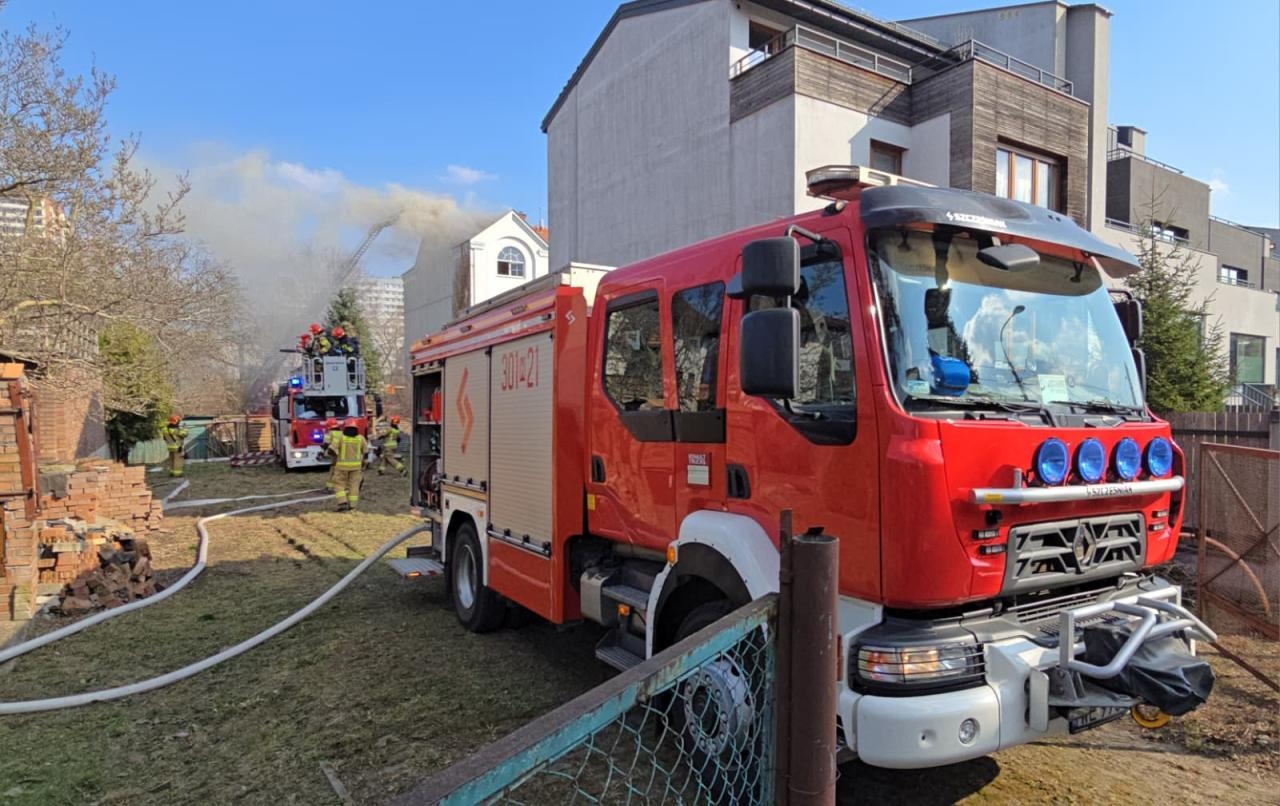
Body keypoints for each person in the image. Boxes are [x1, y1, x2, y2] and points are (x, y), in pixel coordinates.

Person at [331, 418, 367, 512]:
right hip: (356, 467)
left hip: (341, 467)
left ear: (345, 427)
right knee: (354, 486)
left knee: (338, 484)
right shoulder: (361, 438)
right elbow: (366, 452)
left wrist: (332, 456)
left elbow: (331, 450)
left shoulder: (340, 437)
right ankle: (353, 506)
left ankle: (342, 502)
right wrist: (364, 463)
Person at [321, 417, 341, 491]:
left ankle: (329, 487)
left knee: (333, 471)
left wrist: (321, 453)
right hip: (343, 455)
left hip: (334, 454)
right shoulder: (342, 433)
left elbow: (326, 444)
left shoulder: (330, 433)